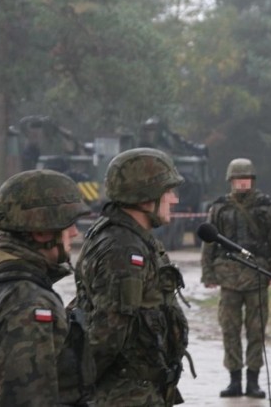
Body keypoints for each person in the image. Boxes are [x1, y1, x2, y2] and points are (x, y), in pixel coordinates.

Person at [0, 169, 93, 407]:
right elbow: (27, 399)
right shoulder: (29, 302)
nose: (75, 232)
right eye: (68, 223)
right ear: (41, 232)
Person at [74, 148, 189, 406]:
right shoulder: (124, 250)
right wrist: (76, 389)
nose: (175, 200)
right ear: (147, 198)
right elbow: (108, 333)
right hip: (125, 394)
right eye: (169, 192)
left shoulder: (134, 239)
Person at [201, 158, 271, 398]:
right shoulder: (219, 208)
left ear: (252, 180)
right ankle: (234, 379)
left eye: (246, 179)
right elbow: (209, 243)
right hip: (228, 276)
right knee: (229, 328)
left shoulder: (265, 208)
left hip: (257, 274)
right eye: (238, 179)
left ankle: (253, 380)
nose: (242, 183)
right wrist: (208, 273)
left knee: (257, 329)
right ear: (231, 181)